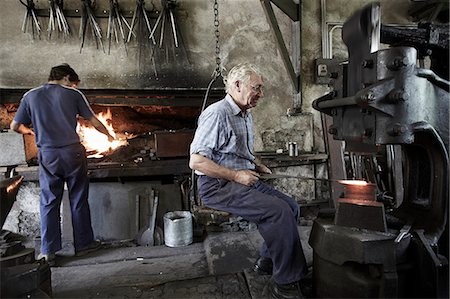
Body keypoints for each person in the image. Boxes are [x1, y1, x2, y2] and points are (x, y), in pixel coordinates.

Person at [189, 63, 307, 299]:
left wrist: (255, 162)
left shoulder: (245, 114)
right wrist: (235, 175)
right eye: (257, 88)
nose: (261, 95)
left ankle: (267, 261)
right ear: (237, 85)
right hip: (217, 186)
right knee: (279, 212)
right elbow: (196, 162)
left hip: (242, 179)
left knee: (292, 207)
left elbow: (237, 151)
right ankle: (285, 285)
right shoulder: (216, 114)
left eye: (261, 89)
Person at [10, 64, 114, 265]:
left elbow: (15, 126)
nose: (74, 86)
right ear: (66, 78)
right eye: (73, 82)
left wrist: (30, 132)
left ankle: (48, 251)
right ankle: (84, 244)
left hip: (48, 155)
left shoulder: (30, 96)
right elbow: (93, 120)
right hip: (72, 153)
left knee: (49, 201)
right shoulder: (73, 94)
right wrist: (109, 135)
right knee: (78, 198)